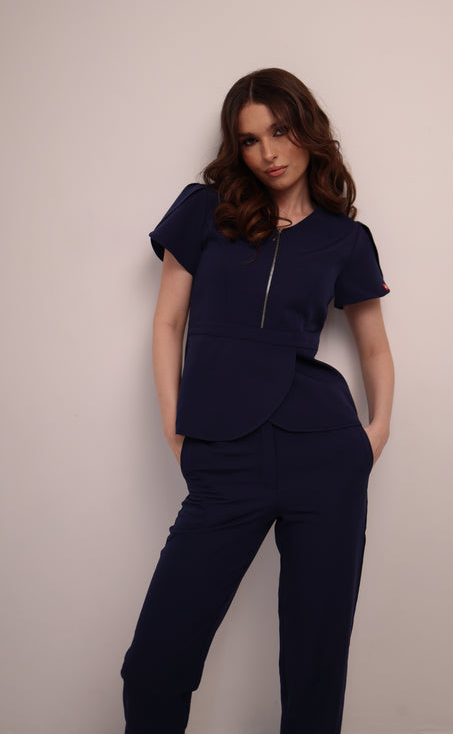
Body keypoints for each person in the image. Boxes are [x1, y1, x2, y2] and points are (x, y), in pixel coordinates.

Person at [120, 67, 394, 734]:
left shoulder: (344, 238)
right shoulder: (204, 210)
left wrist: (375, 433)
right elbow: (167, 323)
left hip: (323, 454)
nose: (268, 152)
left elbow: (374, 348)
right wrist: (175, 428)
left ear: (307, 130)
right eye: (249, 140)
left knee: (314, 665)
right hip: (224, 454)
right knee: (155, 664)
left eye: (280, 131)